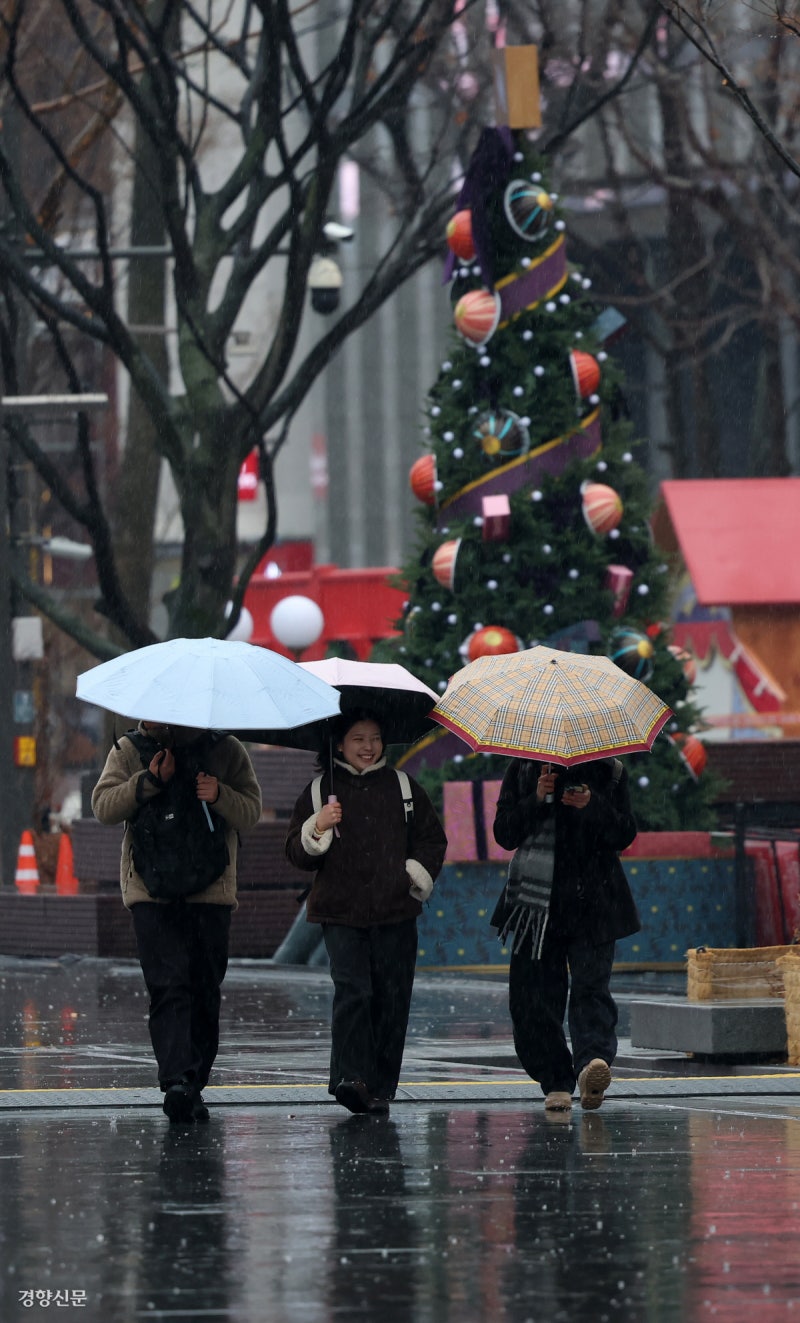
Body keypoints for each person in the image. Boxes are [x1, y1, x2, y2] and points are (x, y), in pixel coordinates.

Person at [92, 720, 262, 1123]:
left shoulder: (227, 749)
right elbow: (103, 807)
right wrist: (148, 780)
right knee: (168, 987)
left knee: (204, 987)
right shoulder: (128, 750)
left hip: (211, 892)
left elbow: (251, 812)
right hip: (152, 892)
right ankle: (176, 1082)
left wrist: (219, 794)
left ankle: (194, 1082)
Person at [285, 711, 447, 1115]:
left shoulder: (404, 787)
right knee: (353, 993)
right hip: (340, 913)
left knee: (392, 998)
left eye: (374, 738)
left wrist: (411, 875)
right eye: (358, 738)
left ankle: (379, 1087)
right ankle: (351, 1079)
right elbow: (295, 854)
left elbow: (432, 840)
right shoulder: (321, 790)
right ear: (339, 744)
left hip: (395, 911)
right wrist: (318, 826)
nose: (368, 746)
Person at [492, 757, 638, 1115]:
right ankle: (556, 1079)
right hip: (536, 904)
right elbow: (505, 833)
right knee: (533, 998)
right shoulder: (523, 769)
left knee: (591, 988)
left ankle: (591, 1065)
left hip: (596, 899)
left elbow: (624, 832)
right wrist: (537, 798)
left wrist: (594, 805)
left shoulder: (610, 770)